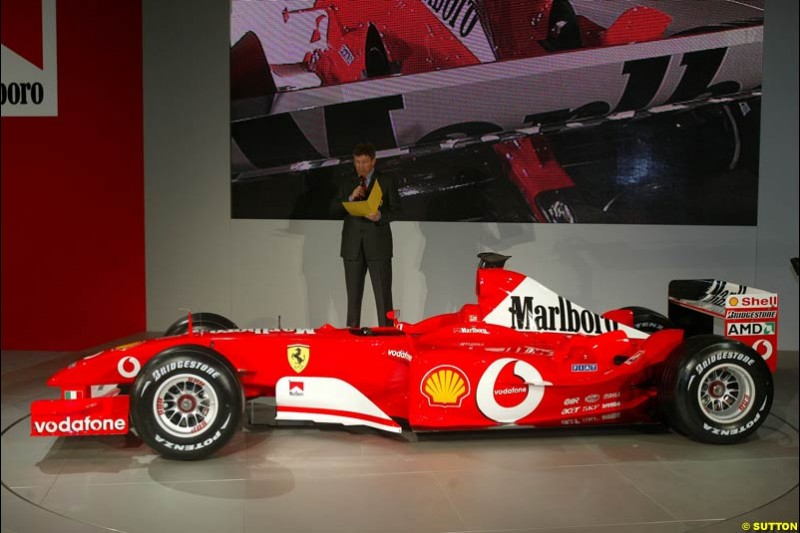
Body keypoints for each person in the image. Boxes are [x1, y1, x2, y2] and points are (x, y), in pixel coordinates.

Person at [334, 143, 402, 328]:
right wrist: (349, 198)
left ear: (373, 161)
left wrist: (380, 216)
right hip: (352, 246)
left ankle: (387, 335)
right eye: (357, 162)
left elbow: (397, 211)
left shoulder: (386, 181)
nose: (361, 166)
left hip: (378, 246)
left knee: (383, 296)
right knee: (353, 296)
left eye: (365, 162)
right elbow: (334, 209)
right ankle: (353, 334)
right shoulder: (348, 182)